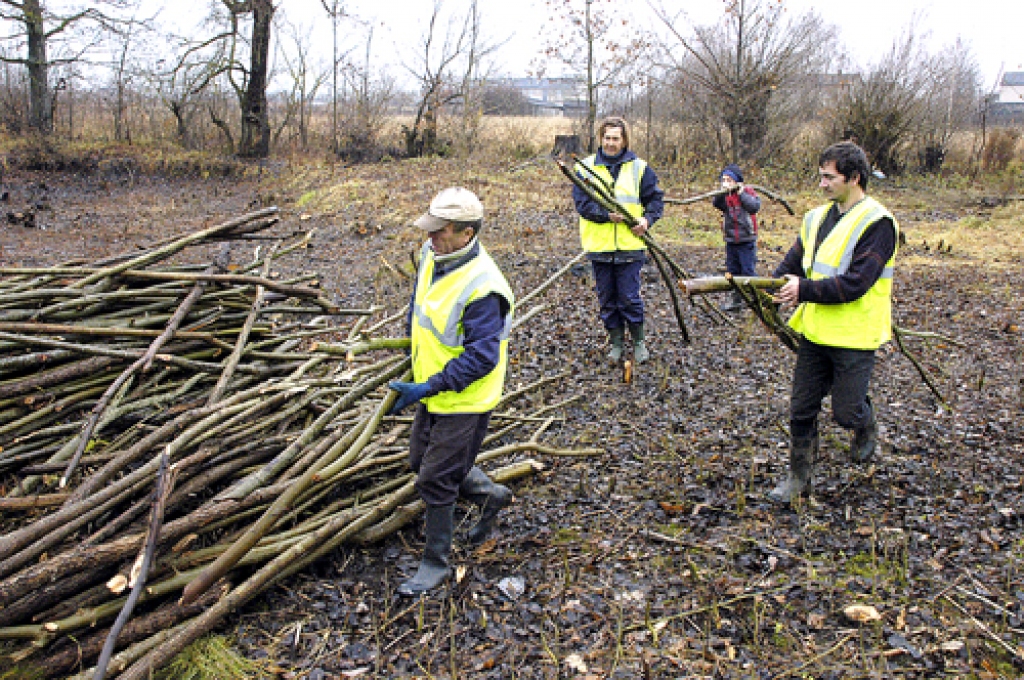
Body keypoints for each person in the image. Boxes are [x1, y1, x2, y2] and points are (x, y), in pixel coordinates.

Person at [387, 187, 515, 595]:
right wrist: (411, 348)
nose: (430, 238)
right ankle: (489, 493)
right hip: (433, 387)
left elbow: (482, 358)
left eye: (439, 232)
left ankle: (436, 563)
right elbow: (420, 302)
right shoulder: (434, 255)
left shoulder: (484, 288)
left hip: (465, 398)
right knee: (418, 459)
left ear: (466, 232)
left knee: (436, 478)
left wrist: (429, 384)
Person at [768, 141, 898, 504]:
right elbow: (792, 263)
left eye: (829, 177)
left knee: (845, 412)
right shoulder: (816, 218)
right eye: (821, 176)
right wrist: (768, 291)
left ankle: (865, 421)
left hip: (855, 335)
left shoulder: (878, 224)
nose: (821, 184)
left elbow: (857, 282)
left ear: (854, 178)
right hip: (815, 331)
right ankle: (798, 479)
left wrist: (804, 289)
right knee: (801, 408)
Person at [572, 116, 664, 364]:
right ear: (600, 139)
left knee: (629, 297)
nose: (611, 143)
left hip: (630, 246)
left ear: (624, 140)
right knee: (607, 299)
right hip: (599, 246)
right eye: (607, 138)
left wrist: (646, 221)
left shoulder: (639, 168)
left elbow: (655, 201)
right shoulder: (586, 168)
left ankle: (638, 342)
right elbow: (582, 205)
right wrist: (605, 216)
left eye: (616, 138)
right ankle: (615, 343)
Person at [712, 164, 761, 312]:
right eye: (724, 180)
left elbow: (754, 206)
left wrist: (741, 193)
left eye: (729, 180)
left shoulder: (747, 193)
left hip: (747, 240)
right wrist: (722, 192)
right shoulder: (725, 197)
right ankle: (736, 300)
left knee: (748, 270)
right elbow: (716, 204)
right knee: (733, 271)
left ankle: (756, 299)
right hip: (731, 240)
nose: (726, 183)